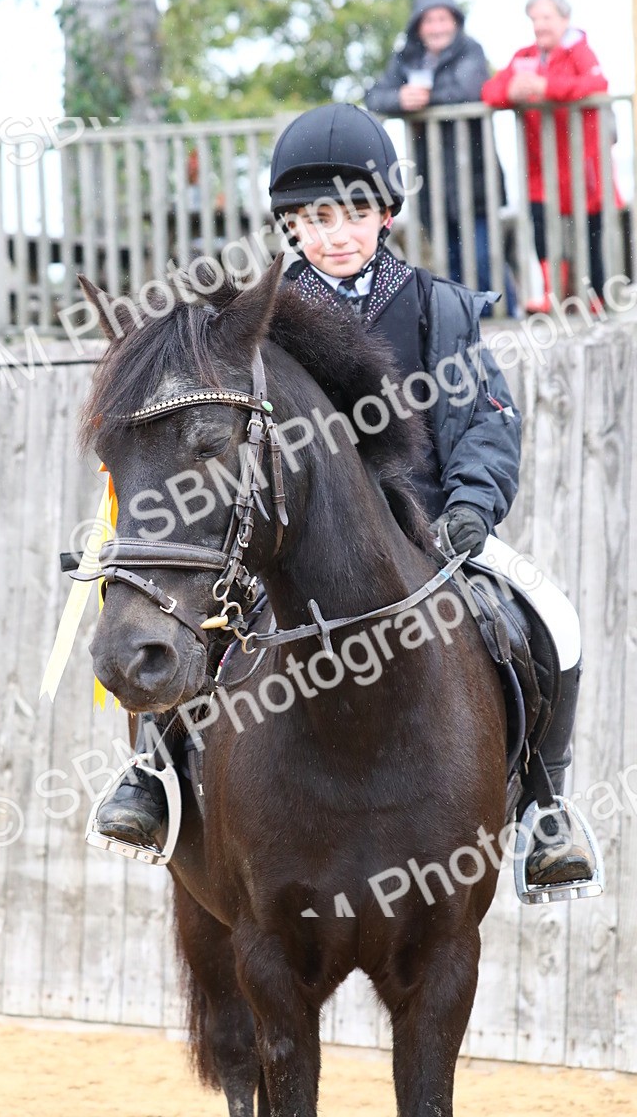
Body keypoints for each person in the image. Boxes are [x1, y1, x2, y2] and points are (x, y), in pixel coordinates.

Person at [91, 103, 596, 891]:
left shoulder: (439, 306)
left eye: (354, 213)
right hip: (287, 535)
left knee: (553, 618)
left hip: (430, 528)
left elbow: (484, 418)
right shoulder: (254, 322)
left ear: (386, 212)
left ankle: (543, 807)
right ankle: (154, 775)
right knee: (186, 605)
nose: (335, 233)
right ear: (290, 224)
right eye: (314, 217)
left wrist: (471, 503)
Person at [366, 0, 517, 313]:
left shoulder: (470, 50)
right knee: (450, 260)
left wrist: (425, 99)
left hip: (475, 175)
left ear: (455, 22)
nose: (437, 27)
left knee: (483, 256)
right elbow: (375, 96)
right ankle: (468, 324)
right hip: (431, 180)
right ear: (419, 26)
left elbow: (469, 89)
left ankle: (508, 314)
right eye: (430, 20)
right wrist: (401, 99)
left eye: (443, 19)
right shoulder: (406, 57)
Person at [482, 0, 615, 313]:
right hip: (541, 165)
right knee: (540, 226)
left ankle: (595, 295)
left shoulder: (579, 52)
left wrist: (547, 89)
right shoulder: (524, 55)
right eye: (535, 18)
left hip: (582, 162)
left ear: (564, 19)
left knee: (590, 227)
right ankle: (553, 292)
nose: (540, 25)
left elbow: (597, 84)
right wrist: (511, 92)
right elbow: (490, 90)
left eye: (547, 17)